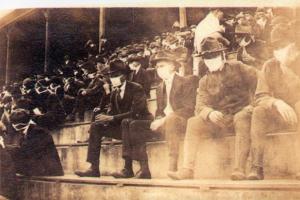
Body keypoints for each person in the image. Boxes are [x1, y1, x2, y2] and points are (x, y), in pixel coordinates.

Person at [167, 37, 257, 180]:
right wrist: (209, 113)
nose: (211, 61)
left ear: (222, 55)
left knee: (242, 117)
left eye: (214, 56)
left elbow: (258, 84)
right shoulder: (204, 80)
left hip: (242, 114)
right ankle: (187, 169)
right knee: (193, 122)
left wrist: (252, 106)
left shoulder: (238, 67)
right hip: (220, 120)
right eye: (207, 58)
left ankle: (239, 168)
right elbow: (199, 105)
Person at [111, 50, 199, 179]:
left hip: (181, 121)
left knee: (172, 120)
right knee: (133, 124)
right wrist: (157, 119)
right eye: (157, 67)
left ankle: (172, 167)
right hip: (166, 123)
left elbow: (188, 109)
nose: (158, 69)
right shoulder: (159, 87)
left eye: (162, 66)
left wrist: (163, 120)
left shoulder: (187, 81)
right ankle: (144, 169)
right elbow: (159, 111)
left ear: (173, 66)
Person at [74, 59, 151, 177]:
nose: (112, 79)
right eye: (111, 76)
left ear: (124, 75)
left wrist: (111, 118)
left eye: (115, 75)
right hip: (124, 127)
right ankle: (93, 168)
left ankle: (127, 168)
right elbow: (113, 112)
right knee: (96, 126)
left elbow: (136, 112)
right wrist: (105, 118)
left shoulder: (136, 88)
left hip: (140, 125)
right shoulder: (114, 92)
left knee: (126, 122)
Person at [247, 23, 300, 180]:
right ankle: (256, 167)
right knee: (259, 111)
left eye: (283, 46)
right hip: (280, 115)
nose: (279, 52)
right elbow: (260, 96)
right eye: (276, 48)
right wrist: (276, 102)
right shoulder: (269, 65)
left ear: (294, 45)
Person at [2, 108, 64, 176]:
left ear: (28, 122)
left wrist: (6, 147)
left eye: (20, 126)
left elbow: (27, 150)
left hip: (46, 167)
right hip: (36, 163)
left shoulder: (39, 132)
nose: (17, 129)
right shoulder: (24, 130)